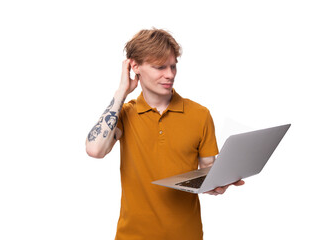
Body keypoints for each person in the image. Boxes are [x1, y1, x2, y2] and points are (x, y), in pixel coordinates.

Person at [85, 28, 244, 240]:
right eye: (159, 67)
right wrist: (122, 91)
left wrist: (217, 185)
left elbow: (207, 172)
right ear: (135, 67)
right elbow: (95, 149)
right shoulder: (124, 114)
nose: (169, 74)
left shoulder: (200, 115)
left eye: (172, 66)